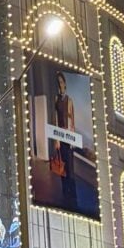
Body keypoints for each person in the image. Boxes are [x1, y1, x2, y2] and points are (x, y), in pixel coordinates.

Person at [50, 71, 77, 205]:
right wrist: (56, 139)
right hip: (60, 135)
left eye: (61, 82)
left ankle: (73, 196)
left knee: (70, 167)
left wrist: (72, 138)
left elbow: (72, 120)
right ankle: (65, 194)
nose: (60, 85)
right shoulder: (56, 99)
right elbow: (55, 119)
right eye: (58, 82)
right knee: (62, 167)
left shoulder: (70, 100)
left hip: (69, 136)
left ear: (64, 84)